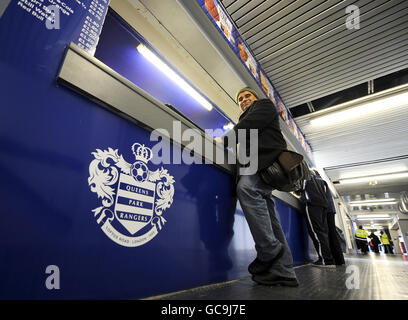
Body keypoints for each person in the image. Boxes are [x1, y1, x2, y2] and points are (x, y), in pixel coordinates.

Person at [215, 87, 298, 287]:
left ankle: (269, 249)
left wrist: (223, 139)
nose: (243, 100)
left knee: (247, 189)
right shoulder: (244, 121)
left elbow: (250, 125)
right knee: (271, 219)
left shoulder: (264, 106)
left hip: (263, 165)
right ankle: (285, 272)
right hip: (259, 169)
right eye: (240, 99)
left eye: (247, 96)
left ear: (256, 98)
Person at [300, 169, 344, 268]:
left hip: (314, 205)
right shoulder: (321, 181)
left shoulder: (306, 178)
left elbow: (299, 189)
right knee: (324, 233)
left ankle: (326, 260)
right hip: (324, 206)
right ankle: (331, 260)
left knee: (317, 233)